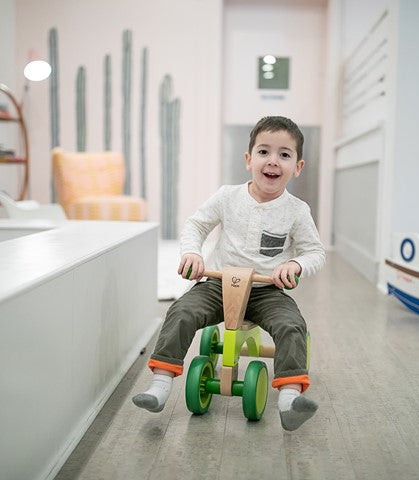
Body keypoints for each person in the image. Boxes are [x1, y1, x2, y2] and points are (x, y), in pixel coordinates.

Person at [133, 116, 326, 431]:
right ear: (249, 159)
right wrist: (192, 253)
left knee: (292, 325)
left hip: (266, 290)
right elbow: (196, 224)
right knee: (181, 311)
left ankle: (290, 400)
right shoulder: (227, 196)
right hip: (218, 283)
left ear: (298, 167)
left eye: (284, 155)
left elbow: (315, 253)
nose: (273, 161)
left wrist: (296, 265)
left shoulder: (296, 211)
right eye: (264, 152)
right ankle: (160, 385)